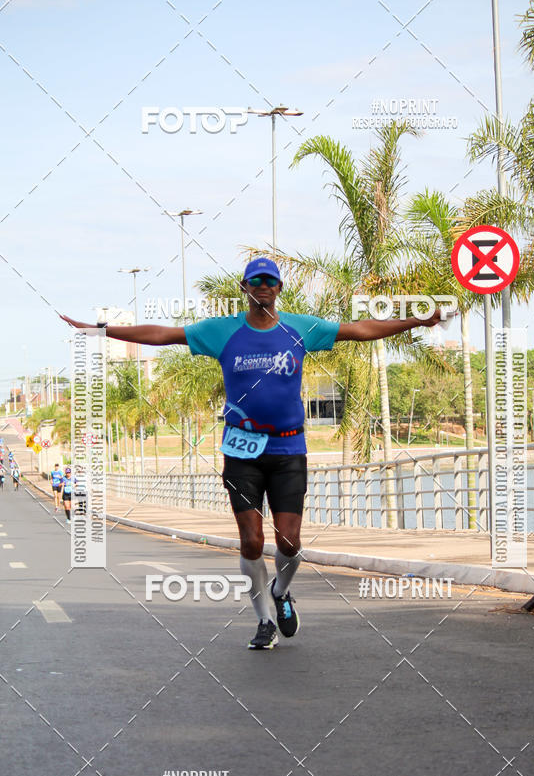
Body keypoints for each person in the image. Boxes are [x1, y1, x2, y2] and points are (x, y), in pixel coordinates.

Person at [61, 257, 444, 649]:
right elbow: (164, 334)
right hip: (241, 449)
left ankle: (281, 591)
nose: (263, 286)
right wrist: (102, 331)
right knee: (252, 540)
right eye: (255, 280)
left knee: (290, 541)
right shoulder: (221, 331)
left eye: (270, 281)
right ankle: (264, 620)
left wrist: (415, 321)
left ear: (279, 288)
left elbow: (360, 329)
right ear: (244, 288)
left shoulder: (300, 328)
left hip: (288, 447)